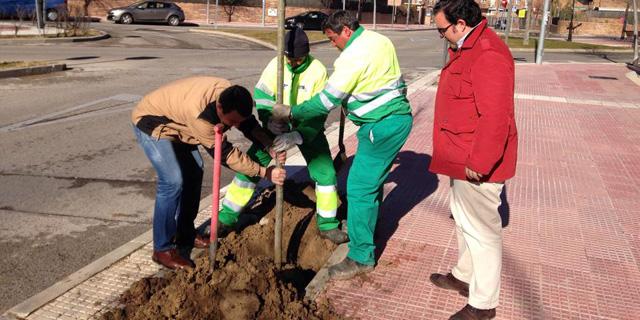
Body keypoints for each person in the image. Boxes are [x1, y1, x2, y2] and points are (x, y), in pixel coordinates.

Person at [270, 11, 413, 280]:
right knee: (371, 183)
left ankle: (361, 256)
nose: (332, 44)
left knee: (359, 187)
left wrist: (291, 113)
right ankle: (368, 227)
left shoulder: (352, 56)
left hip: (382, 126)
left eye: (333, 38)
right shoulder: (378, 40)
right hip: (393, 120)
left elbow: (326, 101)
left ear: (346, 30)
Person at [131, 76, 286, 270]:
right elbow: (226, 155)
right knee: (173, 181)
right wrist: (264, 172)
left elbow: (246, 124)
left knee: (195, 172)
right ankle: (162, 249)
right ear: (220, 109)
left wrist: (268, 144)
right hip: (152, 122)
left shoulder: (230, 93)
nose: (233, 125)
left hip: (179, 122)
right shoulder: (200, 117)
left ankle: (185, 233)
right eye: (230, 122)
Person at [428, 0, 518, 319]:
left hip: (476, 162)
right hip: (460, 154)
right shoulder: (469, 46)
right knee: (464, 222)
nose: (440, 35)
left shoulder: (488, 55)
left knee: (482, 233)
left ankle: (483, 305)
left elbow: (496, 117)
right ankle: (463, 276)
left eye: (442, 29)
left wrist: (480, 163)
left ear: (461, 24)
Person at [218, 28, 349, 244]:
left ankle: (327, 225)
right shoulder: (277, 64)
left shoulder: (317, 71)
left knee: (325, 174)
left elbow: (319, 112)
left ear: (306, 55)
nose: (293, 63)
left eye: (298, 60)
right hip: (275, 126)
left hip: (306, 128)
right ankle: (227, 218)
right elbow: (261, 95)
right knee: (250, 166)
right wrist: (268, 119)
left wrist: (298, 135)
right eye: (290, 59)